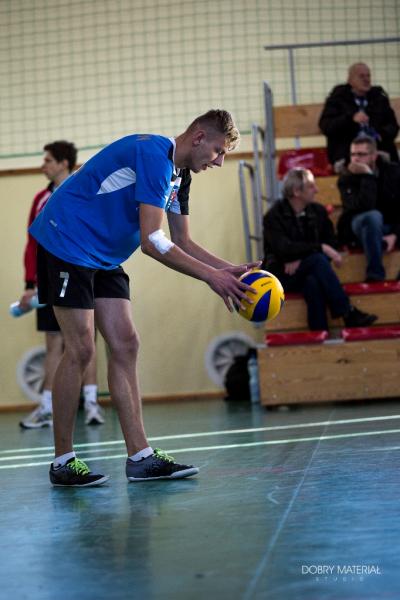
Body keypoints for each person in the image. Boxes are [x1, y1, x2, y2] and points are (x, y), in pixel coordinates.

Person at [29, 109, 259, 487]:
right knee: (81, 349)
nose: (219, 161)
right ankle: (63, 462)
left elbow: (182, 241)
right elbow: (152, 241)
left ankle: (140, 458)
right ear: (198, 137)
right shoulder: (154, 155)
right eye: (218, 151)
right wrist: (211, 278)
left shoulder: (180, 175)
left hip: (103, 256)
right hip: (67, 241)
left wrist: (228, 269)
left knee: (126, 344)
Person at [19, 141, 105, 429]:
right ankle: (47, 408)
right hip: (50, 277)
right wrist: (30, 283)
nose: (43, 165)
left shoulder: (84, 190)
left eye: (48, 160)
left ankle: (91, 404)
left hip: (83, 274)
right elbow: (32, 244)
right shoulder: (40, 199)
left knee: (87, 340)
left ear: (64, 163)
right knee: (54, 342)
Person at [262, 167, 377, 331]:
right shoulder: (273, 216)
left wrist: (302, 258)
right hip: (282, 274)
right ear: (296, 191)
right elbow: (283, 249)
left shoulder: (318, 212)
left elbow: (332, 243)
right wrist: (320, 248)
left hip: (307, 270)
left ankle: (319, 335)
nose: (316, 190)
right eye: (311, 186)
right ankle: (347, 312)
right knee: (317, 259)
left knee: (313, 282)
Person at [337, 135, 400, 282]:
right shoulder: (346, 178)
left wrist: (395, 235)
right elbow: (364, 207)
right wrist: (368, 176)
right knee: (373, 216)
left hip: (389, 226)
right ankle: (375, 273)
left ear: (374, 156)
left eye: (361, 154)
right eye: (353, 154)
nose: (355, 159)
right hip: (360, 225)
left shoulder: (394, 172)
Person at [319, 62, 399, 170]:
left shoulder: (379, 99)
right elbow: (326, 126)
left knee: (388, 165)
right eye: (361, 76)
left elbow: (393, 126)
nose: (366, 80)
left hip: (377, 148)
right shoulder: (337, 99)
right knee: (357, 165)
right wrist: (350, 119)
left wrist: (380, 135)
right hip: (347, 152)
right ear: (350, 80)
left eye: (368, 76)